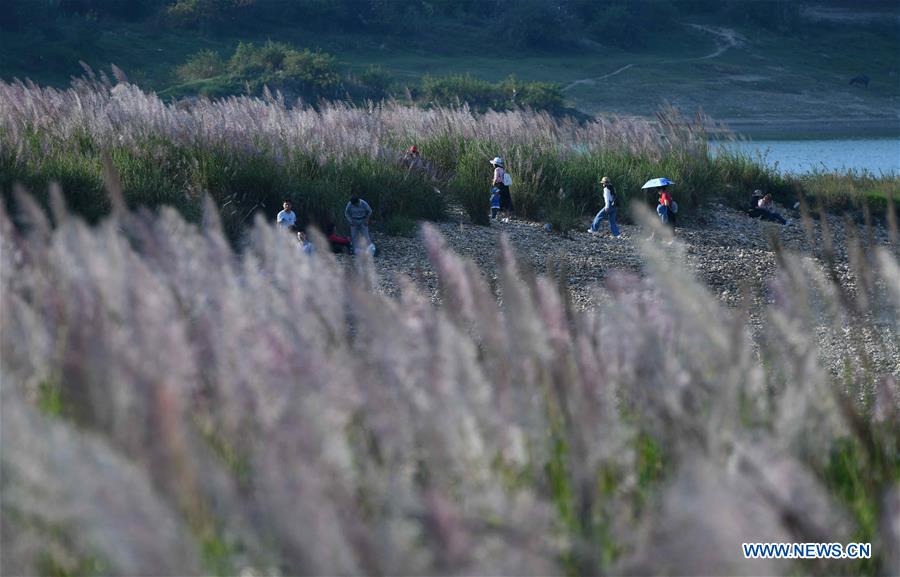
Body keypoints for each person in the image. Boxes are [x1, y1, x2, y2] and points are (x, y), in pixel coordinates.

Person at [490, 156, 513, 220]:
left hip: (499, 186)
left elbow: (496, 178)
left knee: (497, 200)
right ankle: (506, 217)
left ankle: (496, 216)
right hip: (505, 186)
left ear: (495, 164)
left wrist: (493, 184)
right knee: (506, 200)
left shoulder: (496, 169)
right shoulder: (502, 169)